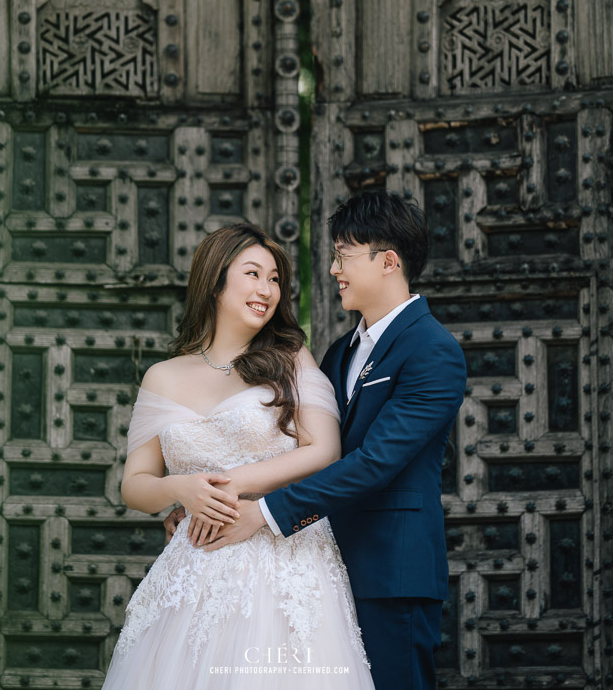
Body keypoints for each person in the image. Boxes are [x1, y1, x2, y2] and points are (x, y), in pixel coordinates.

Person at [181, 191, 467, 690]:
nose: (334, 269)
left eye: (343, 256)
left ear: (388, 262)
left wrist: (264, 514)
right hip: (317, 573)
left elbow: (376, 462)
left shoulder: (433, 351)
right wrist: (207, 501)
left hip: (389, 572)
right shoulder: (338, 352)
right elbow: (293, 446)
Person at [102, 222, 374, 689]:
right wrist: (179, 488)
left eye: (274, 279)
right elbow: (135, 485)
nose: (266, 289)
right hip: (194, 566)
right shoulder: (162, 377)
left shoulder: (291, 358)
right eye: (253, 274)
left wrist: (228, 482)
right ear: (215, 280)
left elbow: (325, 450)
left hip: (283, 560)